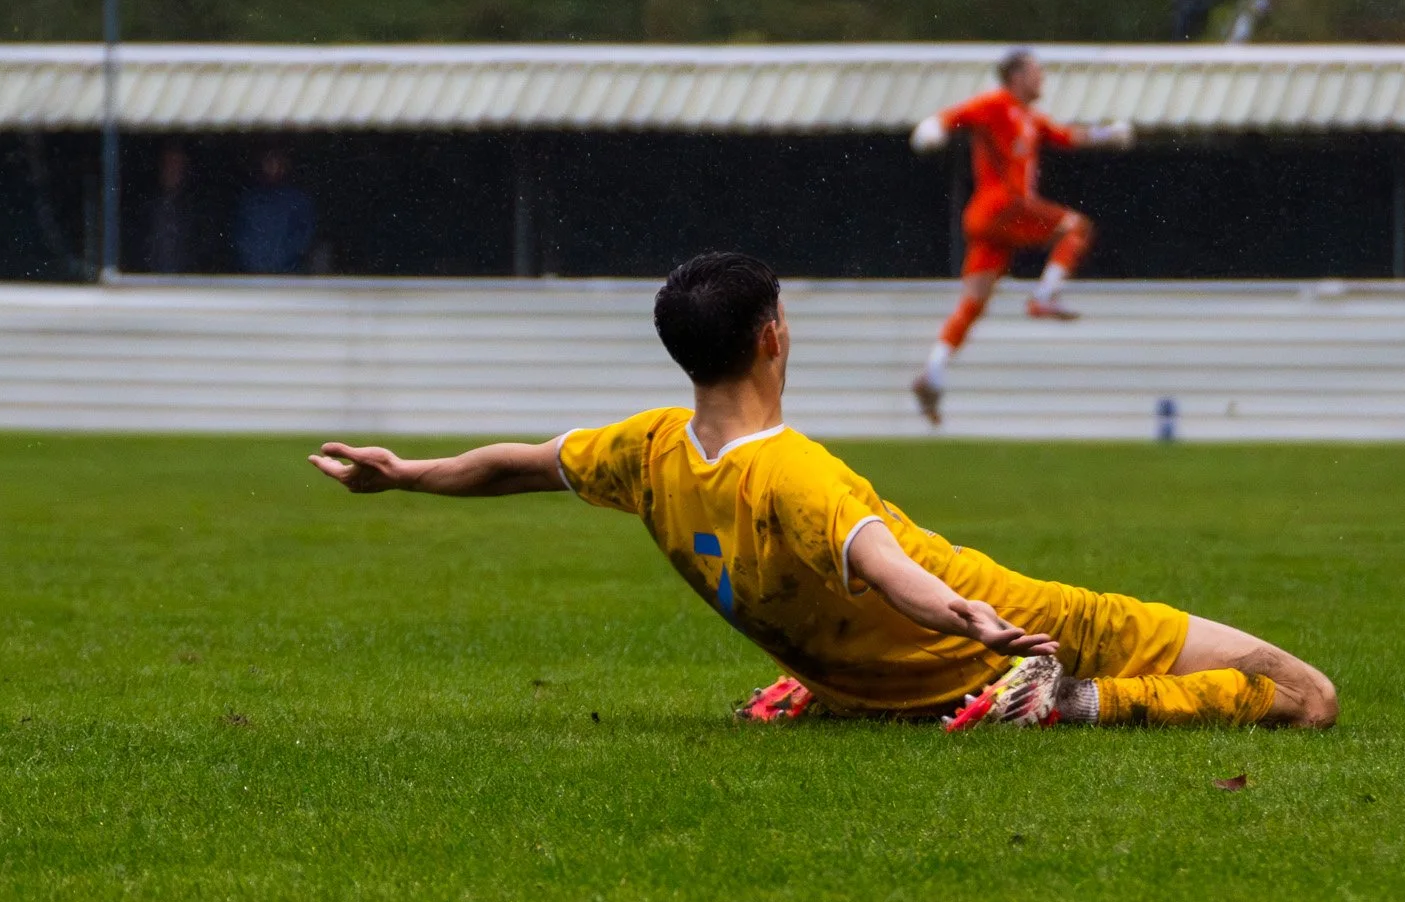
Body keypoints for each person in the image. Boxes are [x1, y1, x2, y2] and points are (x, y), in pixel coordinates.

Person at [311, 251, 1337, 732]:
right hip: (1003, 633)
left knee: (876, 643)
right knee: (1302, 696)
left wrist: (402, 476)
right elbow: (892, 573)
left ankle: (848, 692)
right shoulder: (789, 470)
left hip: (871, 680)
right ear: (771, 338)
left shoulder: (647, 451)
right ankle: (1071, 700)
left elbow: (517, 464)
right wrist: (974, 622)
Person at [908, 48, 1134, 426]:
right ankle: (1044, 296)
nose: (1042, 78)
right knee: (1077, 228)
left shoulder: (1029, 117)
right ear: (1016, 76)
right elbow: (953, 117)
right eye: (1035, 72)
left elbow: (1065, 136)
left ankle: (933, 373)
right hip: (1004, 207)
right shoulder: (996, 104)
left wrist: (1105, 134)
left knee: (974, 302)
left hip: (989, 221)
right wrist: (931, 129)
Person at [234, 148, 316, 275]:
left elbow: (305, 236)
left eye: (276, 162)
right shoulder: (250, 199)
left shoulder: (298, 200)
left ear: (285, 166)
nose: (272, 167)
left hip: (288, 276)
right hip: (253, 275)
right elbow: (240, 234)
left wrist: (285, 259)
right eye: (268, 162)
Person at [143, 145, 195, 274]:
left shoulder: (197, 210)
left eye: (177, 165)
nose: (172, 170)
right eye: (168, 165)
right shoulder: (147, 207)